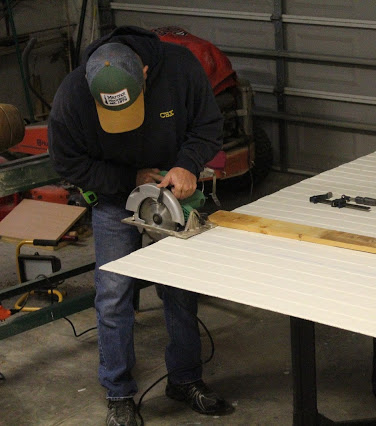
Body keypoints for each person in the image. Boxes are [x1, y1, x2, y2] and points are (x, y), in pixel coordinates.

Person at [48, 26, 234, 425]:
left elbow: (208, 126)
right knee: (113, 295)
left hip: (171, 195)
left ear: (146, 71)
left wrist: (187, 164)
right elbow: (68, 163)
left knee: (179, 290)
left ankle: (185, 379)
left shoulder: (181, 67)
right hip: (117, 201)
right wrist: (127, 180)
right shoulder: (73, 93)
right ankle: (118, 393)